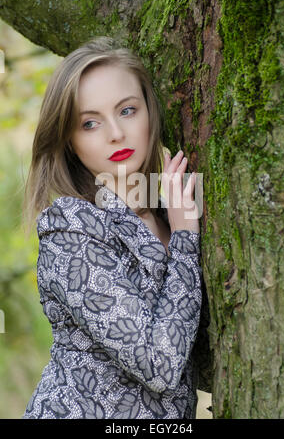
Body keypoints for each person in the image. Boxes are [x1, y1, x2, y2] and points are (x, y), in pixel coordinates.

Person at [22, 36, 202, 419]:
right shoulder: (71, 231)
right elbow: (160, 365)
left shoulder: (165, 211)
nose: (115, 133)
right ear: (69, 141)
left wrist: (179, 225)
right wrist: (186, 237)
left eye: (127, 110)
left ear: (150, 111)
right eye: (89, 123)